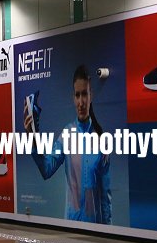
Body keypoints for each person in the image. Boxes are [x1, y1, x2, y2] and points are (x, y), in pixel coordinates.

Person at [24, 64, 111, 224]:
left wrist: (108, 229)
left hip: (97, 228)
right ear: (73, 97)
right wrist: (32, 136)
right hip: (72, 226)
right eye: (77, 95)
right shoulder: (67, 134)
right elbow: (46, 169)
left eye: (84, 94)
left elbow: (106, 194)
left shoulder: (102, 139)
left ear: (90, 95)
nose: (81, 102)